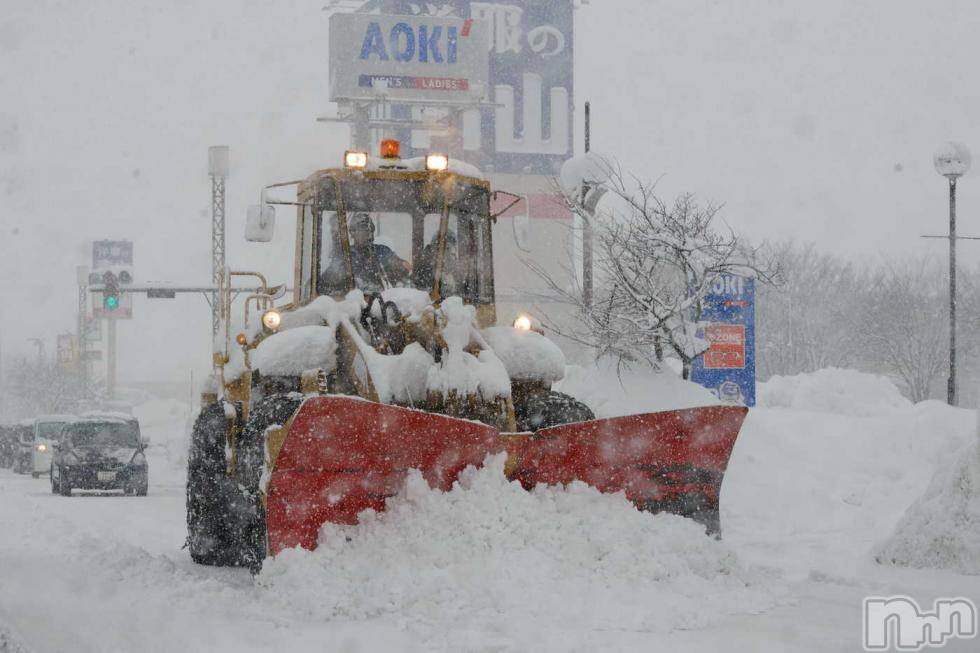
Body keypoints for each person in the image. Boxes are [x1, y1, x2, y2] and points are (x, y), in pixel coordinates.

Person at [320, 212, 410, 293]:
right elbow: (328, 280)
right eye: (364, 230)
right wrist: (336, 277)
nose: (369, 234)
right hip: (353, 302)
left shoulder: (383, 251)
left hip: (382, 302)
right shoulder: (345, 255)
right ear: (352, 233)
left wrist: (400, 265)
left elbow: (401, 267)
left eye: (371, 230)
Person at [412, 229, 458, 295]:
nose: (453, 255)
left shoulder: (446, 262)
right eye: (448, 249)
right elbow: (427, 292)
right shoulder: (426, 266)